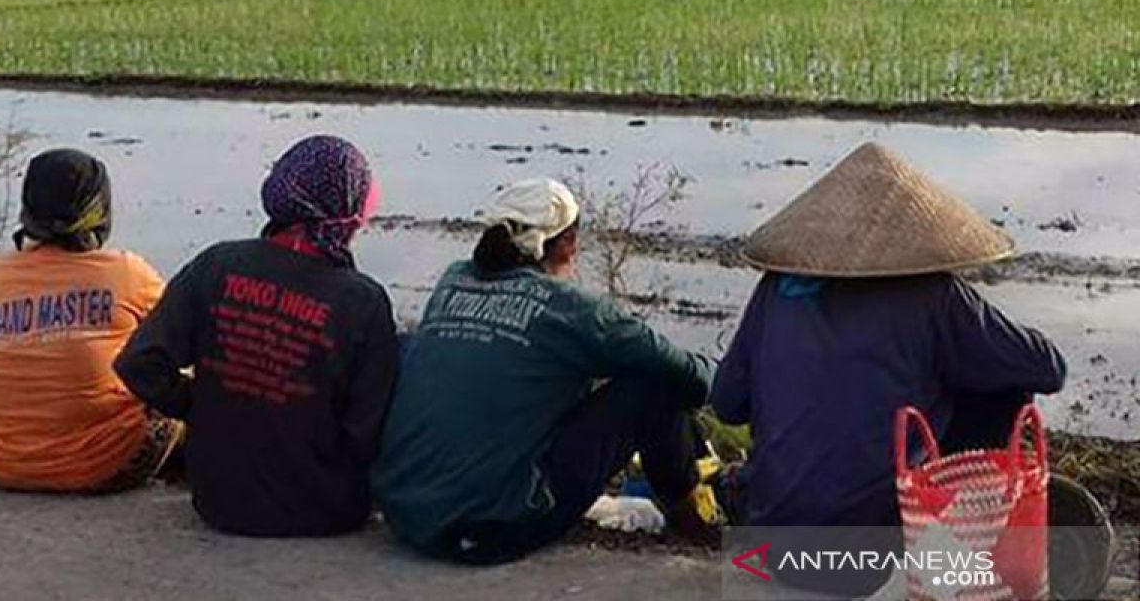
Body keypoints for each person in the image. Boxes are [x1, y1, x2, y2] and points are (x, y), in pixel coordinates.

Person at [710, 142, 1067, 531]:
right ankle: (957, 522)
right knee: (1005, 391)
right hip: (878, 548)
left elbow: (728, 403)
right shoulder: (931, 293)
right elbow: (1047, 370)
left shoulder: (777, 290)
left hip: (777, 537)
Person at [374, 178, 717, 565]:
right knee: (653, 389)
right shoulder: (574, 309)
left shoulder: (453, 281)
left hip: (406, 515)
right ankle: (697, 528)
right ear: (568, 243)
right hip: (492, 529)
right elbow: (691, 377)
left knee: (412, 347)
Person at [114, 135, 397, 537]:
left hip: (217, 500)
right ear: (350, 212)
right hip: (323, 510)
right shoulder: (362, 302)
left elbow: (138, 364)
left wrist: (200, 405)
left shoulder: (216, 265)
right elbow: (365, 432)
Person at [0, 148, 177, 492]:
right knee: (171, 387)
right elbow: (179, 341)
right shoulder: (128, 274)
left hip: (4, 465)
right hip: (104, 468)